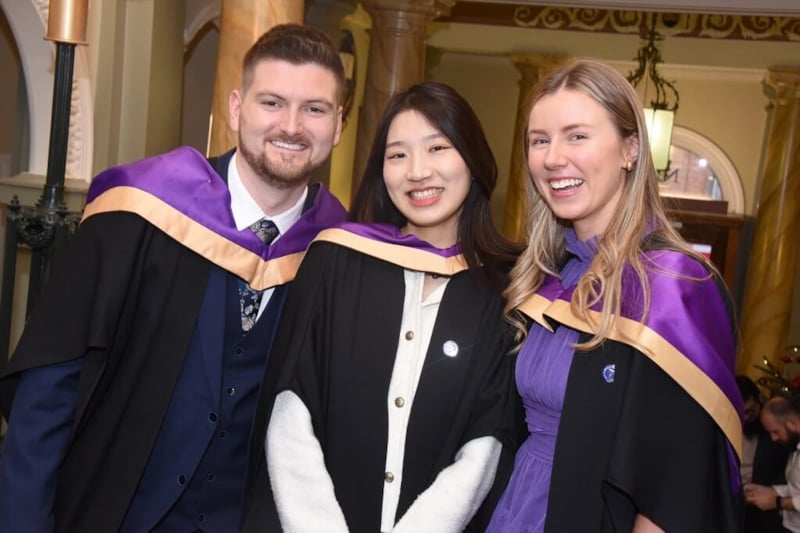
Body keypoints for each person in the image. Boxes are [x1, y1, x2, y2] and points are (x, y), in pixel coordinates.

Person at [0, 23, 347, 532]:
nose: (291, 126)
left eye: (314, 109)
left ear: (338, 125)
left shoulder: (341, 256)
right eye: (271, 102)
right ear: (235, 109)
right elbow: (49, 394)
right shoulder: (139, 213)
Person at [485, 59, 743, 532]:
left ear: (629, 150)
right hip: (519, 507)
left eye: (577, 135)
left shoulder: (674, 287)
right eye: (539, 140)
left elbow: (678, 491)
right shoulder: (544, 278)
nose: (552, 157)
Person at [256, 81, 522, 533]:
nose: (418, 172)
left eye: (438, 148)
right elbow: (290, 406)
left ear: (473, 160)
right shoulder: (337, 261)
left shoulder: (508, 291)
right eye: (397, 155)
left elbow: (488, 439)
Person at [737, 376, 792, 532]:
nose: (746, 418)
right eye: (742, 414)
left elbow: (788, 476)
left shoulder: (777, 432)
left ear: (759, 400)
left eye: (750, 411)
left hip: (766, 512)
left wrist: (770, 494)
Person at [745, 396, 800, 532]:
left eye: (775, 432)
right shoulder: (794, 448)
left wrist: (776, 502)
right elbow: (796, 489)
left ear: (792, 424)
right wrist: (769, 491)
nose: (773, 439)